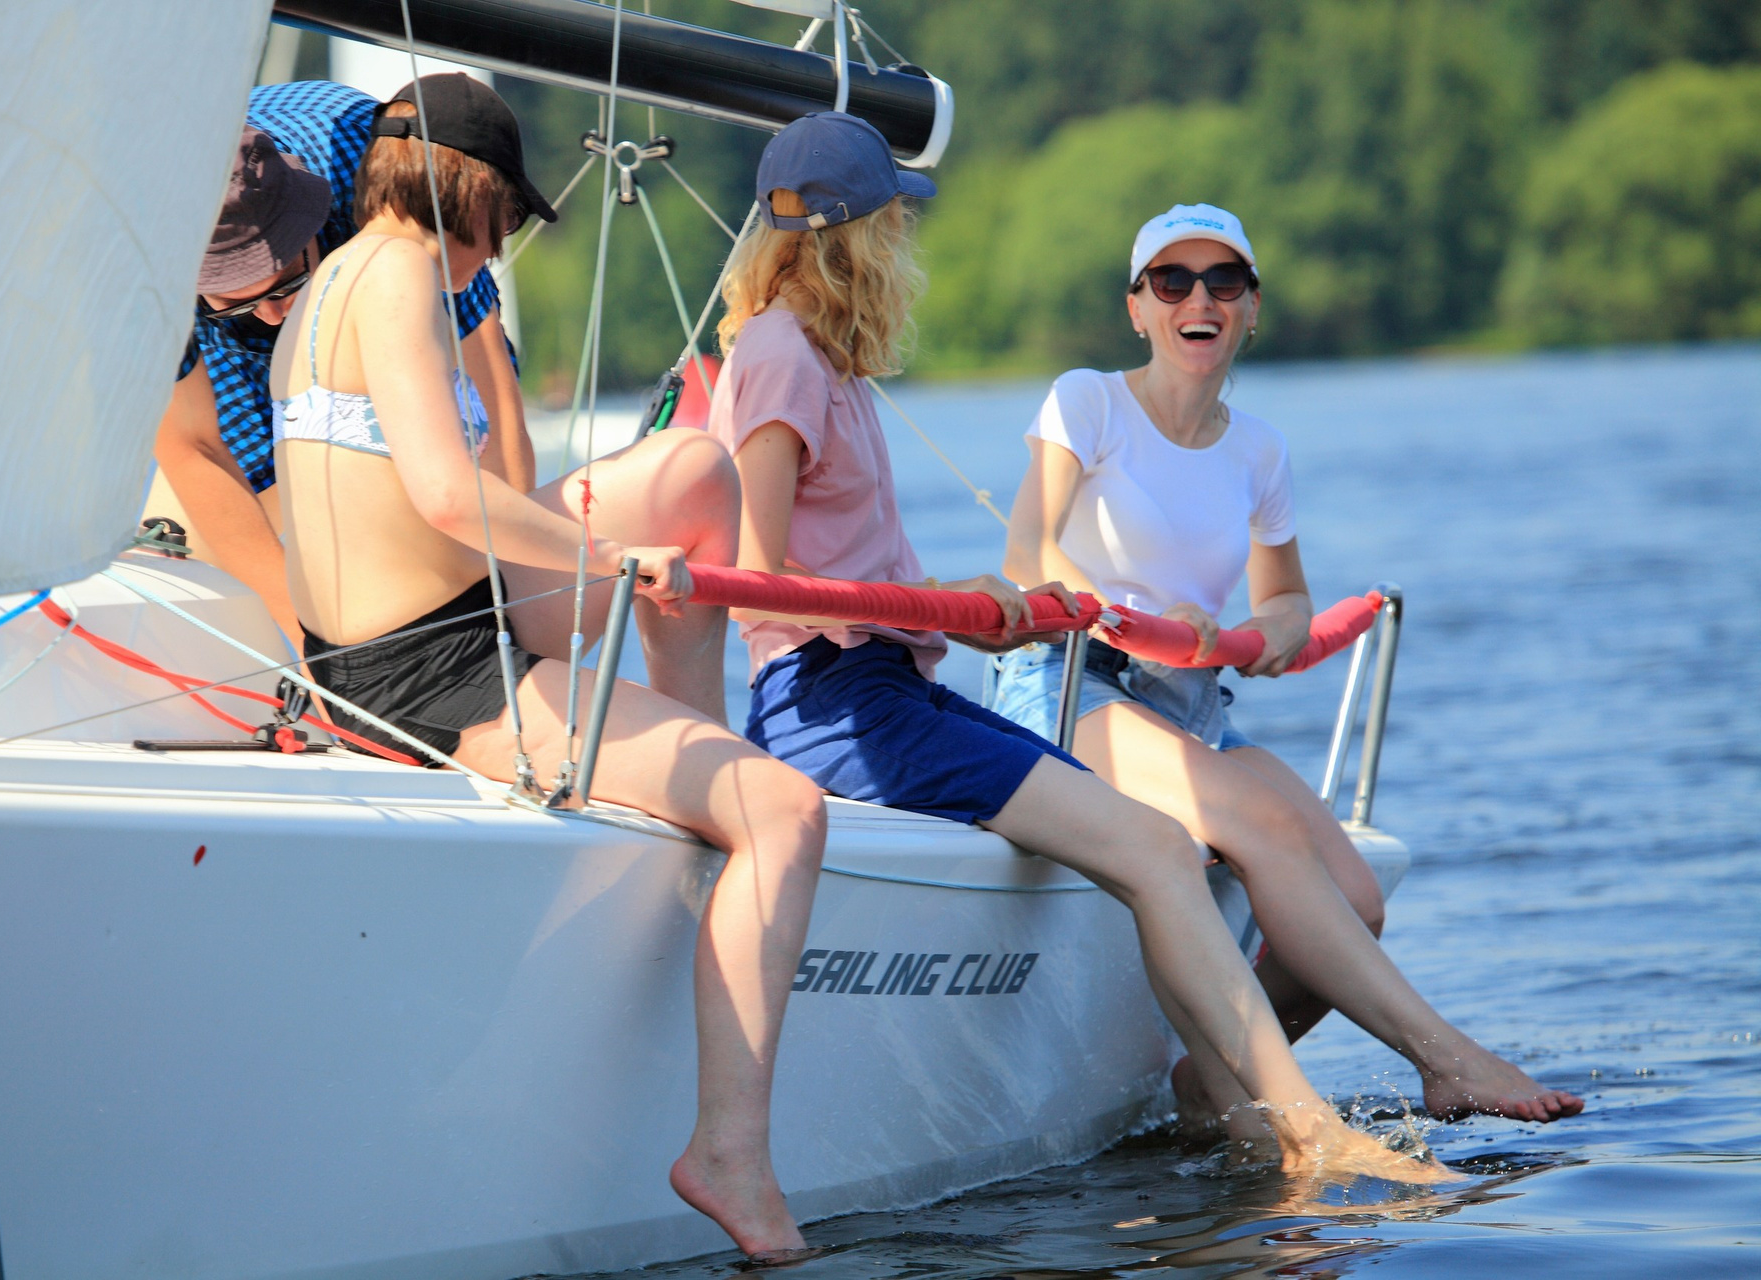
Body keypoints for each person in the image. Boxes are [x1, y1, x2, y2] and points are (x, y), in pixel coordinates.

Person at [709, 113, 1448, 1181]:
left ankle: (1259, 1113)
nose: (905, 246)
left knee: (1153, 842)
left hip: (886, 685)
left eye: (1224, 283)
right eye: (894, 224)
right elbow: (759, 573)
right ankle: (1302, 1127)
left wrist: (947, 606)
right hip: (831, 696)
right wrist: (943, 601)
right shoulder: (783, 352)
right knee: (1154, 847)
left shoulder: (823, 357)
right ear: (855, 232)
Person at [269, 74, 825, 1260]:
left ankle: (690, 769)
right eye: (509, 215)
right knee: (788, 812)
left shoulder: (329, 278)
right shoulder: (407, 275)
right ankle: (728, 1151)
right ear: (471, 190)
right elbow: (444, 493)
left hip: (405, 634)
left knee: (692, 470)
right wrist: (609, 558)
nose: (504, 242)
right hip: (436, 673)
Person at [995, 204, 1583, 1130]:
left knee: (1359, 899)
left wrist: (1267, 630)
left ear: (1252, 308)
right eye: (1172, 282)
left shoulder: (1259, 449)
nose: (1199, 300)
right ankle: (1446, 1060)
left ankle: (1208, 1083)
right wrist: (1141, 623)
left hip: (1193, 701)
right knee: (1268, 827)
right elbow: (1029, 551)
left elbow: (1288, 600)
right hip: (1072, 686)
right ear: (1137, 309)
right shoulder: (1086, 402)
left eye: (1223, 281)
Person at [153, 80, 537, 644]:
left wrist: (514, 606)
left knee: (432, 474)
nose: (272, 317)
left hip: (380, 318)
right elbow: (193, 449)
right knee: (185, 542)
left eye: (287, 284)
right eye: (237, 300)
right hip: (220, 353)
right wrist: (311, 648)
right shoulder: (141, 267)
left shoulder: (379, 166)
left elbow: (487, 382)